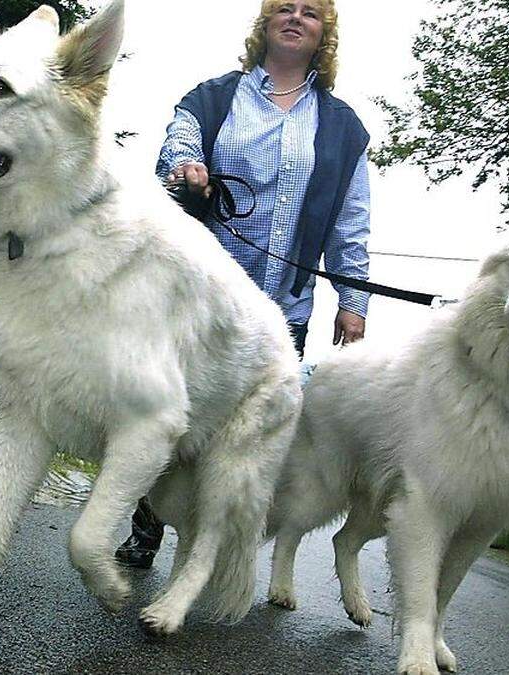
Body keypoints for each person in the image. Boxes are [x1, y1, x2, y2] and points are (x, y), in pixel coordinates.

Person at [115, 0, 373, 569]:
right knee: (173, 412)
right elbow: (177, 147)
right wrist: (186, 169)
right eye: (285, 7)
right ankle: (146, 528)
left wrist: (354, 303)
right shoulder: (212, 97)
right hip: (203, 300)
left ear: (322, 33)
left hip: (286, 309)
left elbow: (350, 220)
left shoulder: (344, 128)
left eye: (310, 12)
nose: (296, 17)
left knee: (250, 434)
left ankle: (215, 549)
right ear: (265, 23)